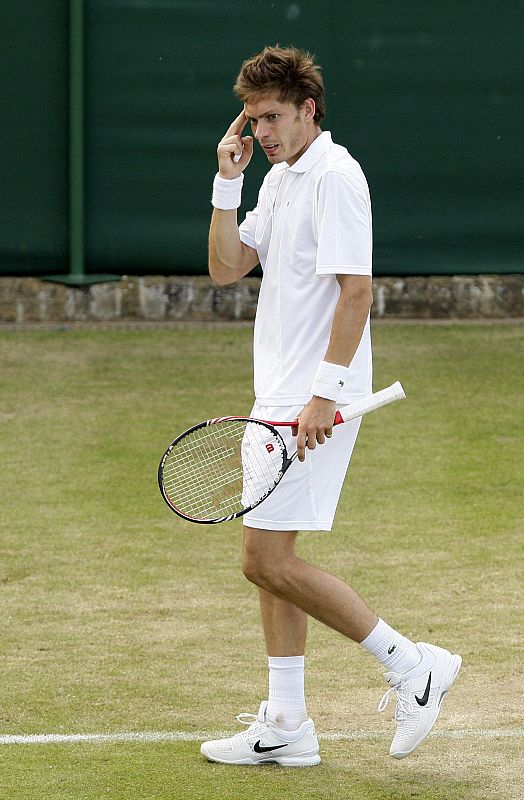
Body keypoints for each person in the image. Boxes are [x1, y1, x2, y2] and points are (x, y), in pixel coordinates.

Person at [202, 45, 461, 767]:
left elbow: (358, 290)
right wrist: (229, 184)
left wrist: (323, 393)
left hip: (315, 399)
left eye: (274, 117)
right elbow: (227, 268)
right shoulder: (279, 180)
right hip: (277, 395)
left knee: (265, 557)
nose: (264, 132)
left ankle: (413, 664)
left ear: (309, 109)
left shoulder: (336, 177)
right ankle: (286, 723)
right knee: (267, 555)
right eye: (254, 120)